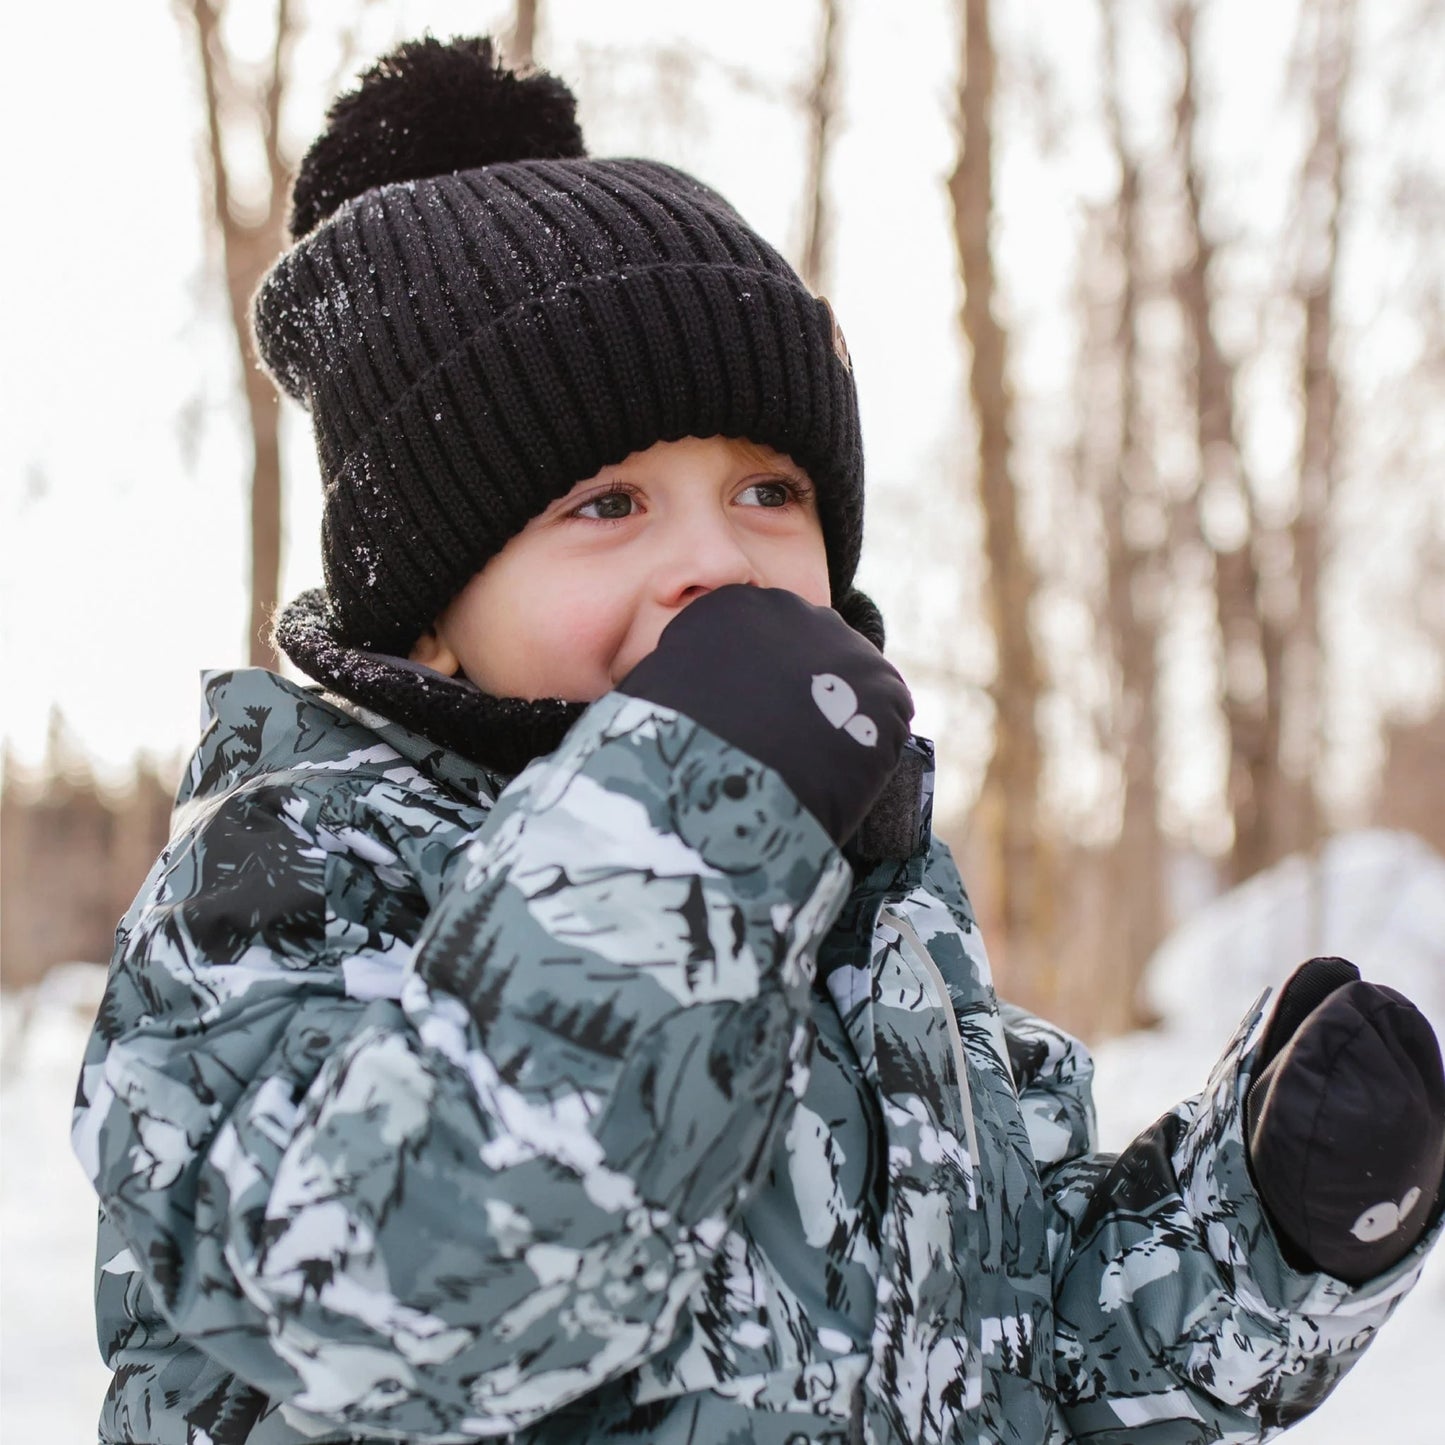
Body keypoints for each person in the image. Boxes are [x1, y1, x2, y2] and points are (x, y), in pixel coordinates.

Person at [72, 36, 1445, 1445]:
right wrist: (689, 812)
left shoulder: (874, 907)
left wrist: (1261, 1233)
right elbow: (385, 1300)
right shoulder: (292, 879)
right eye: (608, 505)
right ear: (426, 615)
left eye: (767, 490)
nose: (711, 560)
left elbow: (1013, 1356)